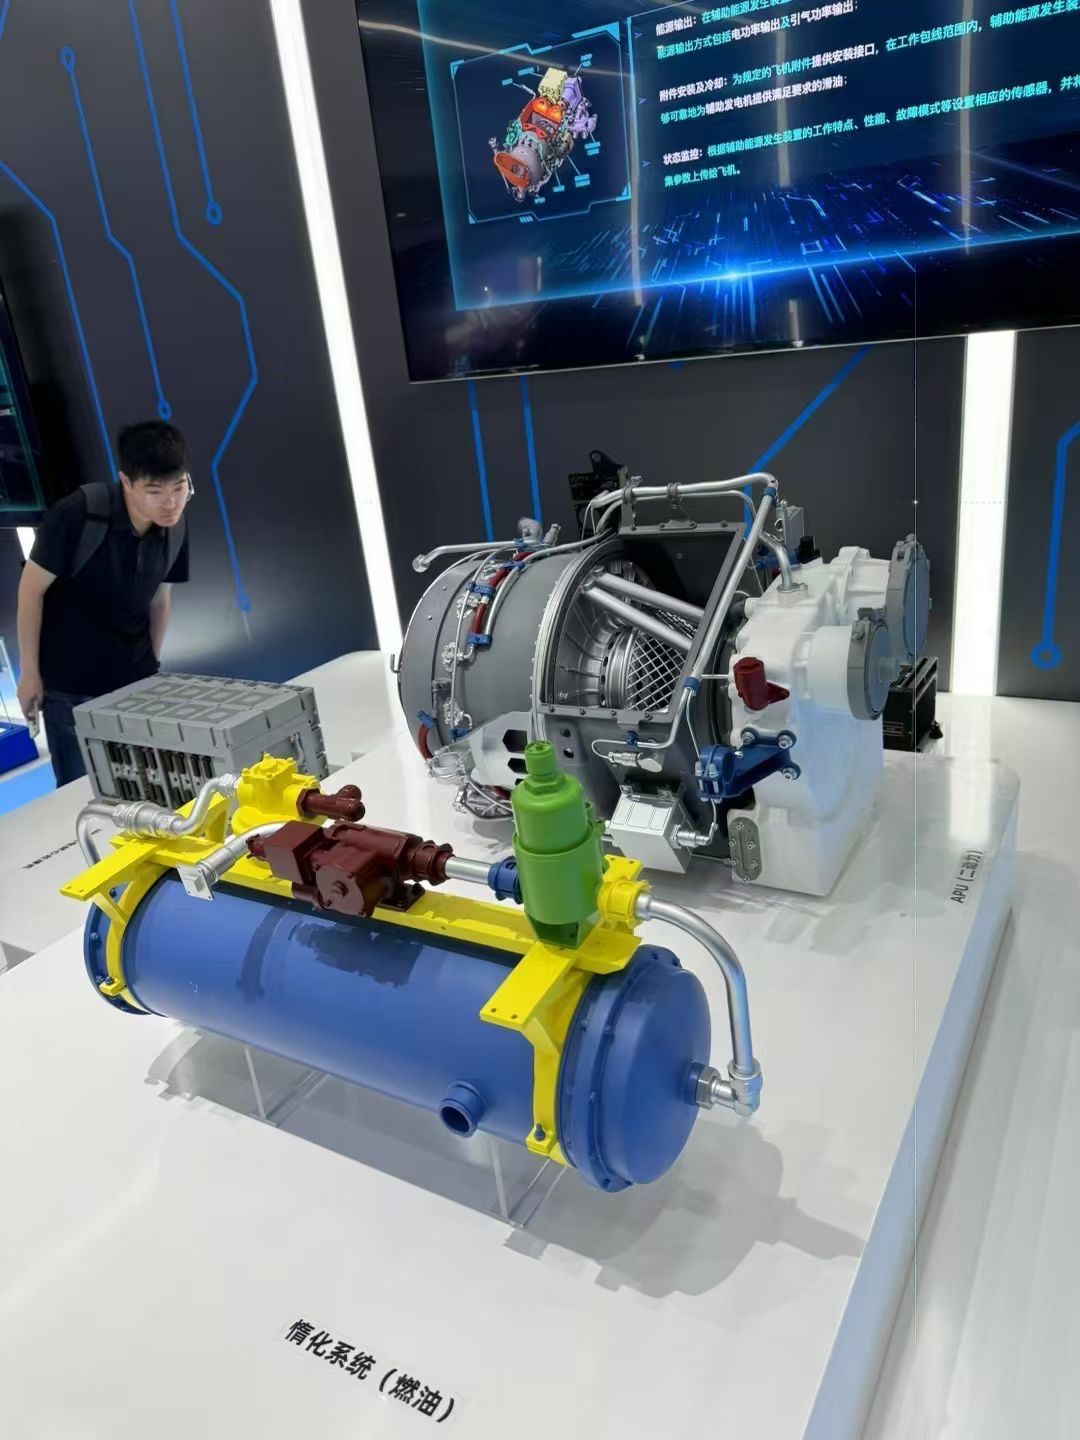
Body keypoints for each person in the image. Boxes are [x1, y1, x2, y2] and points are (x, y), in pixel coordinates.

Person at [15, 421, 192, 785]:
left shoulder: (175, 525)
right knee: (80, 790)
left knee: (147, 785)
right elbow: (30, 591)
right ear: (126, 482)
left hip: (136, 682)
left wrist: (151, 662)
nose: (171, 502)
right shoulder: (79, 515)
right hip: (71, 686)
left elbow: (160, 598)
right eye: (155, 490)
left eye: (179, 487)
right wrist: (29, 673)